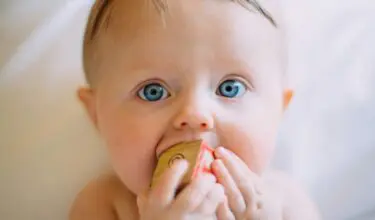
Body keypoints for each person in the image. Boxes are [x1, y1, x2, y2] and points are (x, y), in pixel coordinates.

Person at [70, 0, 320, 219]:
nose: (195, 113)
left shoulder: (286, 205)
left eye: (230, 88)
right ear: (97, 115)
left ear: (279, 110)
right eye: (153, 91)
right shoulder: (103, 206)